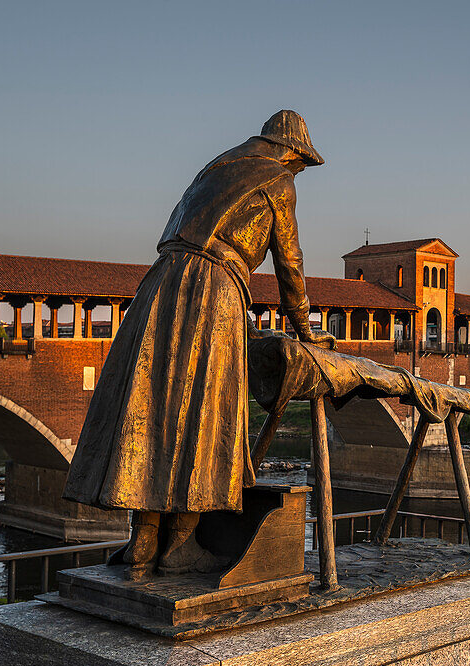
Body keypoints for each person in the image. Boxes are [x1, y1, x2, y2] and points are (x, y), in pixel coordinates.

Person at [64, 110, 334, 579]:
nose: (298, 174)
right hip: (214, 289)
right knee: (206, 412)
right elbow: (289, 260)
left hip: (161, 286)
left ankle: (143, 540)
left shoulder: (217, 168)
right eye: (300, 165)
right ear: (292, 151)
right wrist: (305, 328)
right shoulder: (277, 180)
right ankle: (181, 545)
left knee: (150, 407)